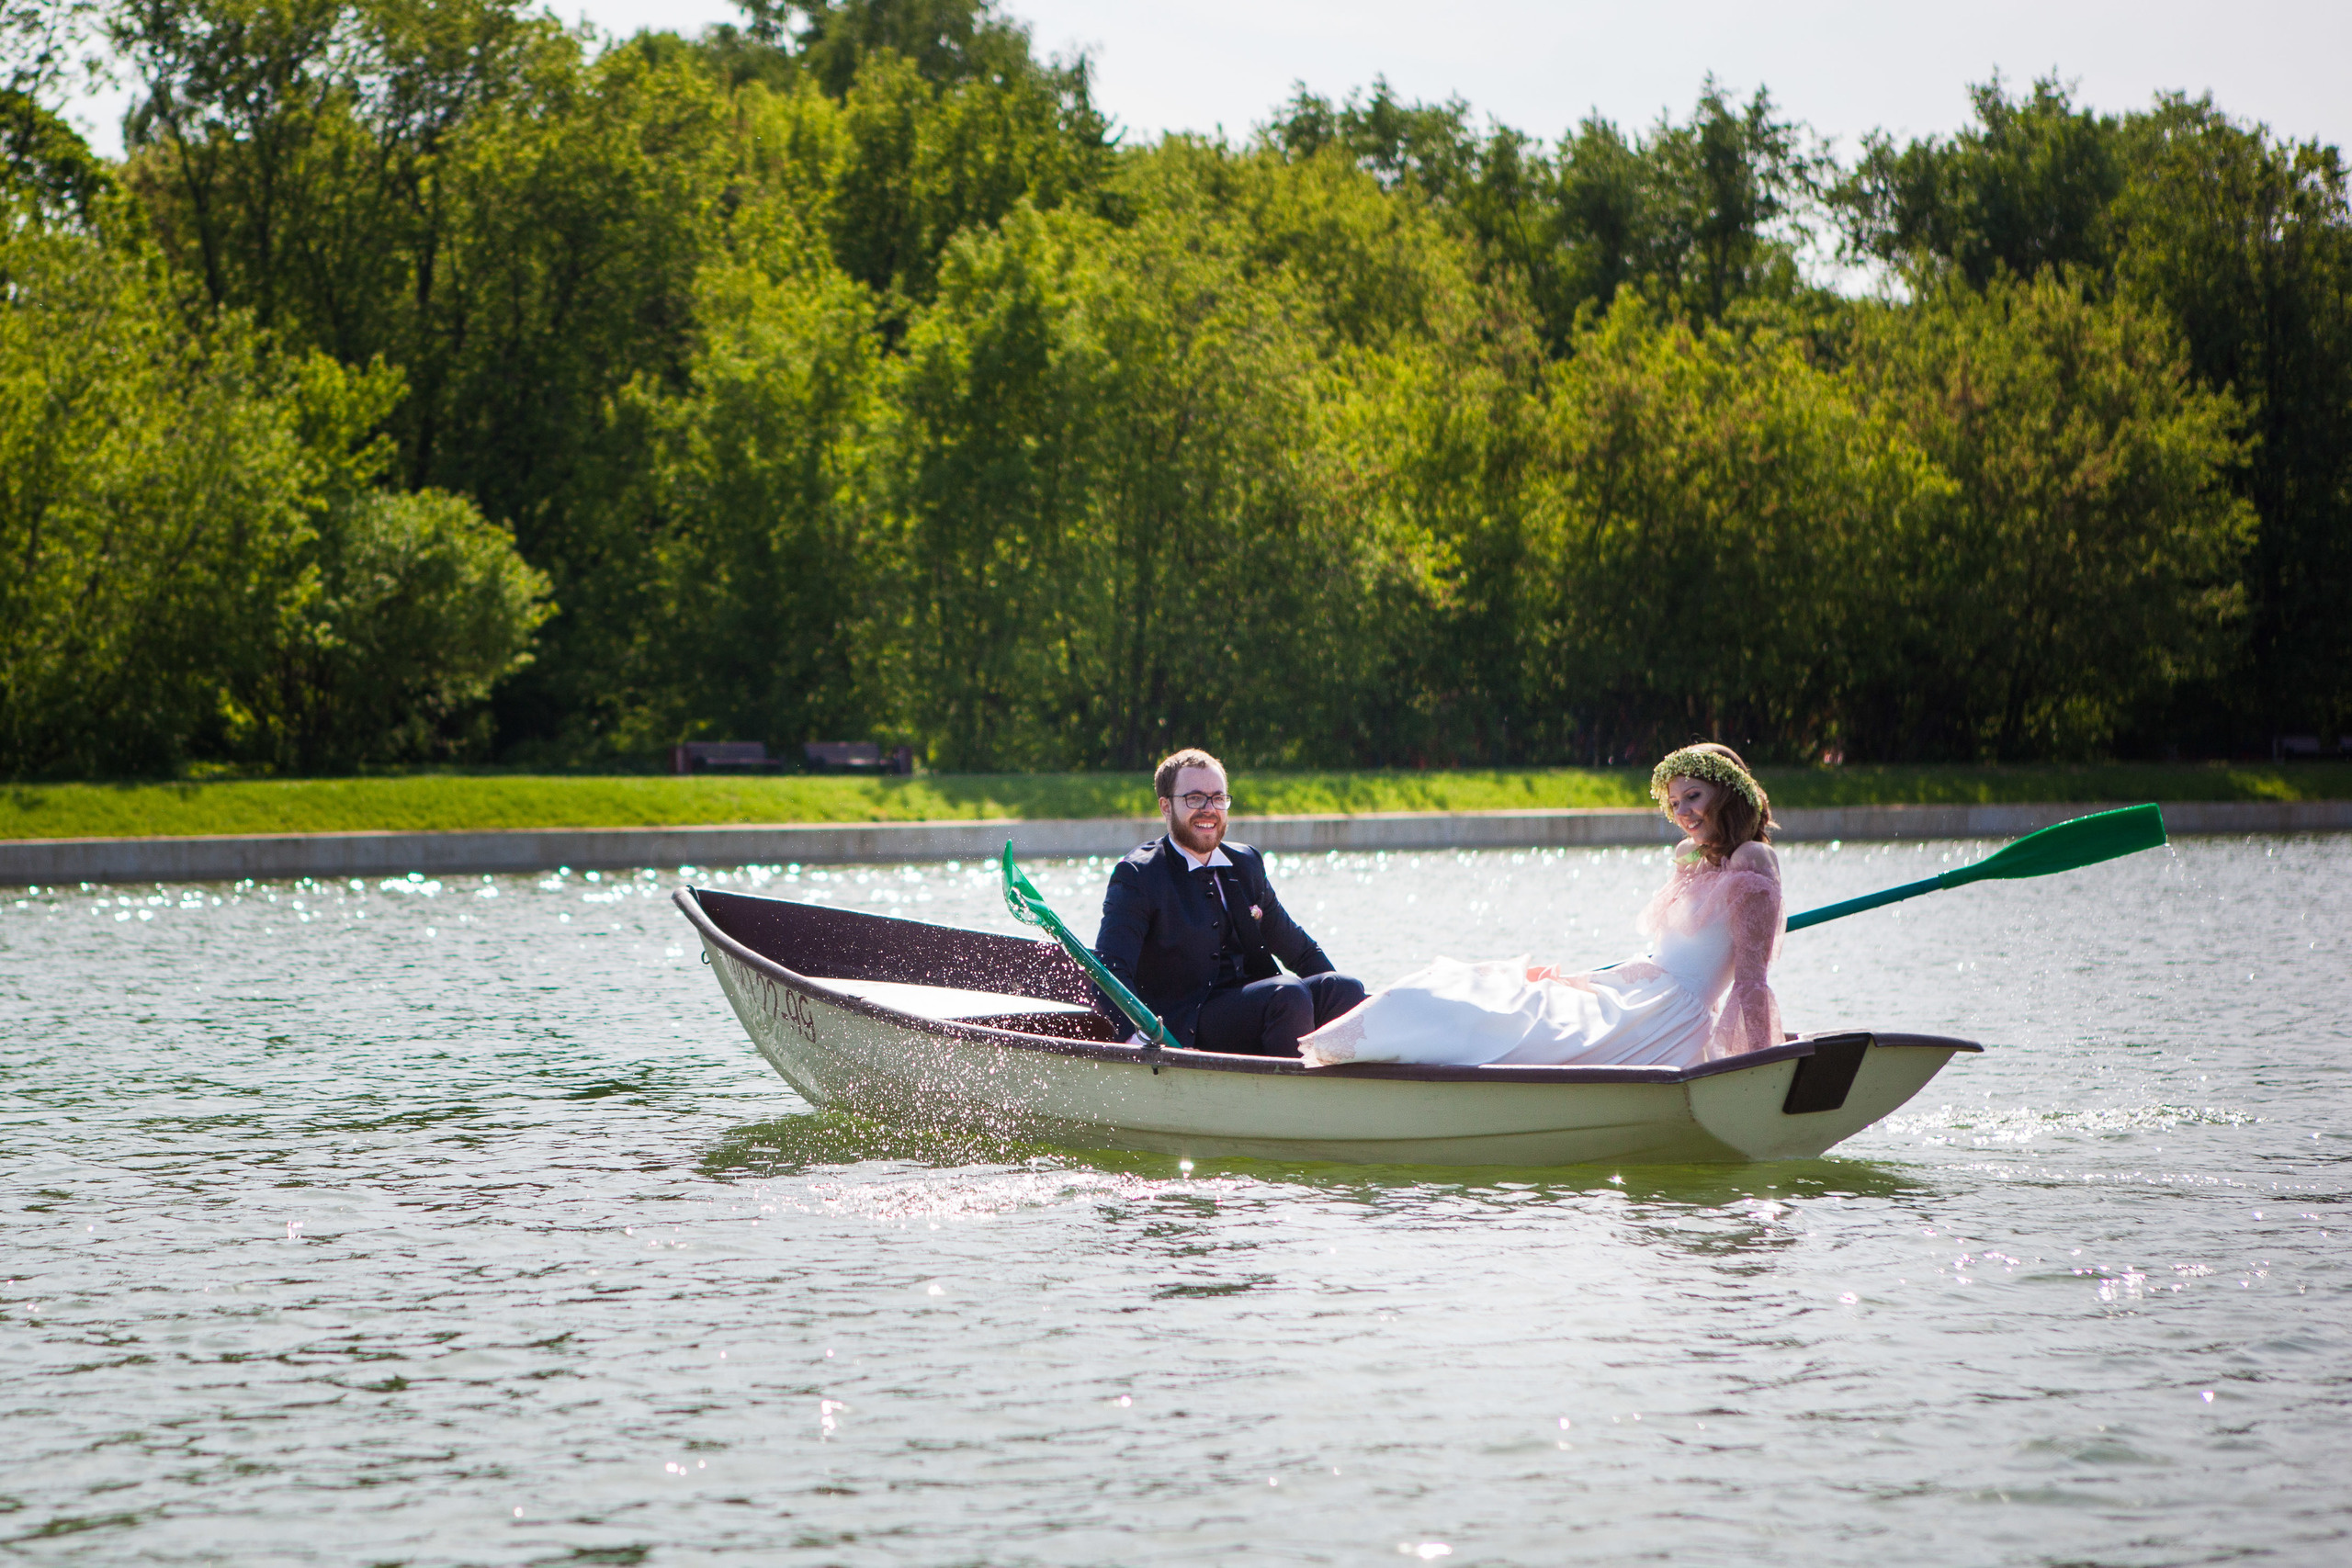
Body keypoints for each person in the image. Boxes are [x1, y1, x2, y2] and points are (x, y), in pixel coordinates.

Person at [1298, 743, 1786, 1069]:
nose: (1682, 814)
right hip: (1635, 991)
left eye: (1694, 797)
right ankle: (1353, 1044)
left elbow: (1750, 980)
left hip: (1666, 1017)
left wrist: (1756, 1064)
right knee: (1488, 989)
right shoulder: (1689, 856)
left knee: (1507, 1019)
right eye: (1674, 802)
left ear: (1728, 792)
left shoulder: (1753, 857)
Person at [1092, 748, 1367, 1056]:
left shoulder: (1246, 863)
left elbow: (1301, 952)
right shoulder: (1138, 875)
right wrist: (1143, 1040)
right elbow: (1108, 970)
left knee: (1344, 988)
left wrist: (1349, 1009)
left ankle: (1343, 1092)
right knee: (1288, 995)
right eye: (1194, 798)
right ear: (1166, 806)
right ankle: (1288, 1099)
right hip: (1185, 1023)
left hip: (1255, 1004)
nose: (1209, 809)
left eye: (1218, 798)